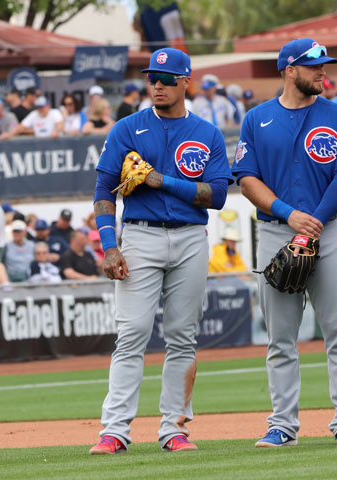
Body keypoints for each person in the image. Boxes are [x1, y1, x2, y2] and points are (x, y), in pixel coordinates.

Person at [89, 47, 233, 455]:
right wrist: (109, 245)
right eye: (152, 77)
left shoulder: (206, 132)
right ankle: (114, 430)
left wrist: (162, 181)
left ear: (186, 81)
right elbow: (103, 191)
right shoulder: (127, 128)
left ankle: (174, 429)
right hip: (140, 235)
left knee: (182, 338)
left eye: (167, 79)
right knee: (132, 333)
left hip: (190, 237)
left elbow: (218, 195)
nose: (157, 84)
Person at [232, 38, 337, 447]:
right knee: (280, 338)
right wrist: (288, 213)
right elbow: (247, 178)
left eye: (325, 65)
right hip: (275, 230)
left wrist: (314, 222)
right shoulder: (256, 119)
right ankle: (282, 426)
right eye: (314, 67)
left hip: (329, 231)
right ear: (290, 70)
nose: (323, 72)